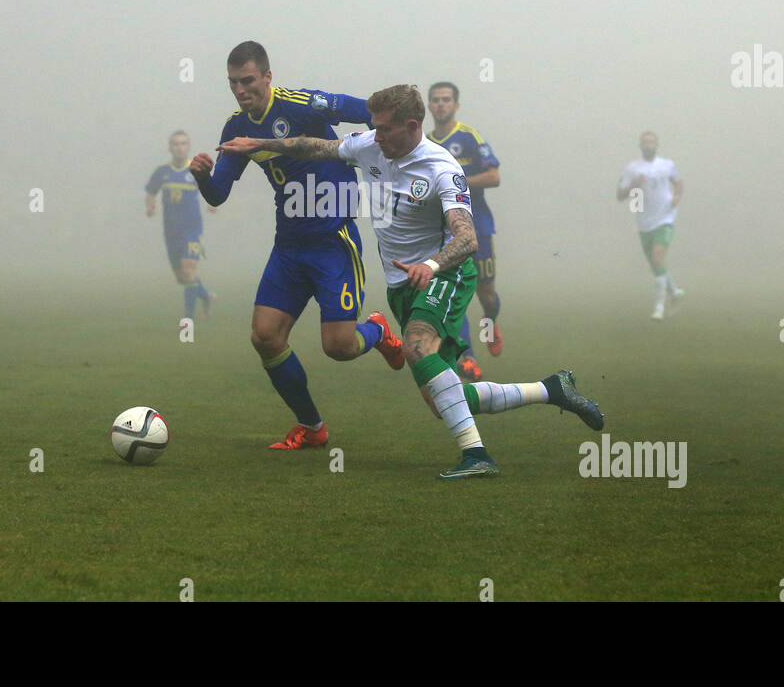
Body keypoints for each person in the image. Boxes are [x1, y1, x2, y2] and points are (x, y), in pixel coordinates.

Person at [218, 84, 603, 480]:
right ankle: (552, 389)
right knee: (446, 400)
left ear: (412, 125)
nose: (375, 134)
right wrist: (261, 143)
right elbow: (316, 147)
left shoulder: (442, 168)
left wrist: (432, 266)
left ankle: (476, 456)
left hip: (444, 274)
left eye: (384, 128)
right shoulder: (372, 145)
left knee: (417, 345)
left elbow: (467, 238)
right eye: (375, 127)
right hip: (403, 285)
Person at [190, 42, 402, 451]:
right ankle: (312, 427)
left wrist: (385, 147)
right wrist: (201, 176)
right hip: (288, 247)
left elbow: (370, 112)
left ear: (268, 76)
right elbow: (218, 194)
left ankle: (377, 330)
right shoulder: (236, 128)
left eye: (248, 80)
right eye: (233, 83)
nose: (240, 90)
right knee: (265, 337)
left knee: (338, 348)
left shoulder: (305, 104)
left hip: (333, 243)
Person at [426, 81, 502, 382]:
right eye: (435, 100)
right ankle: (467, 357)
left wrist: (456, 185)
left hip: (478, 226)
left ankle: (491, 323)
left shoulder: (470, 137)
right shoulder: (425, 143)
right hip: (444, 232)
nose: (441, 104)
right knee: (454, 293)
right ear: (429, 106)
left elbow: (494, 176)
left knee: (487, 294)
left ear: (456, 104)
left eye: (446, 100)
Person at [145, 130, 216, 319]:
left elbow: (211, 188)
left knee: (188, 269)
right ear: (170, 148)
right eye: (176, 144)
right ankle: (205, 296)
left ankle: (188, 321)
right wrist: (150, 205)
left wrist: (212, 202)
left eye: (183, 143)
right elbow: (151, 191)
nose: (180, 147)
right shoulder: (162, 172)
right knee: (182, 277)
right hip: (171, 232)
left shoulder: (195, 170)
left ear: (188, 147)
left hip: (192, 230)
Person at [616, 131, 684, 320]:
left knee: (658, 256)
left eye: (652, 142)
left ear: (657, 145)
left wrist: (676, 196)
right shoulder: (632, 168)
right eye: (645, 143)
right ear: (640, 146)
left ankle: (659, 308)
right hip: (644, 223)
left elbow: (678, 183)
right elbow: (621, 195)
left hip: (665, 219)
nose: (648, 145)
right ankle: (675, 292)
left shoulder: (667, 165)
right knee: (655, 263)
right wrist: (634, 186)